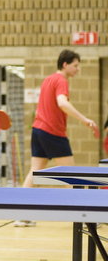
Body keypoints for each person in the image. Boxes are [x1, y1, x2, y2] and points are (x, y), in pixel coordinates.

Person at [15, 49, 99, 227]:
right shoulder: (61, 80)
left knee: (35, 172)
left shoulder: (48, 79)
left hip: (38, 130)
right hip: (53, 133)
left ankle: (21, 214)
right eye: (75, 66)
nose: (78, 69)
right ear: (65, 64)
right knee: (72, 175)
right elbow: (62, 103)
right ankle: (83, 217)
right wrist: (85, 120)